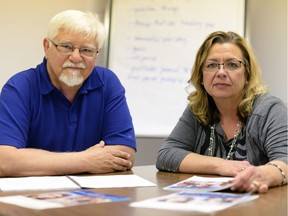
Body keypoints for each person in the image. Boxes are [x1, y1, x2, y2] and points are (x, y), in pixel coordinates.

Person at [0, 10, 136, 177]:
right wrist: (85, 160)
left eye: (87, 50)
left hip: (94, 197)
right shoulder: (20, 87)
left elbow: (124, 154)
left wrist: (38, 161)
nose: (76, 57)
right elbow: (4, 161)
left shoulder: (107, 83)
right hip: (33, 197)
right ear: (46, 47)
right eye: (66, 46)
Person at [156, 31, 287, 193]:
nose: (221, 72)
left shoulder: (268, 109)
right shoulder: (198, 109)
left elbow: (285, 159)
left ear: (247, 73)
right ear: (201, 76)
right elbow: (167, 155)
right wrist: (222, 165)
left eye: (232, 64)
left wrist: (263, 174)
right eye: (211, 65)